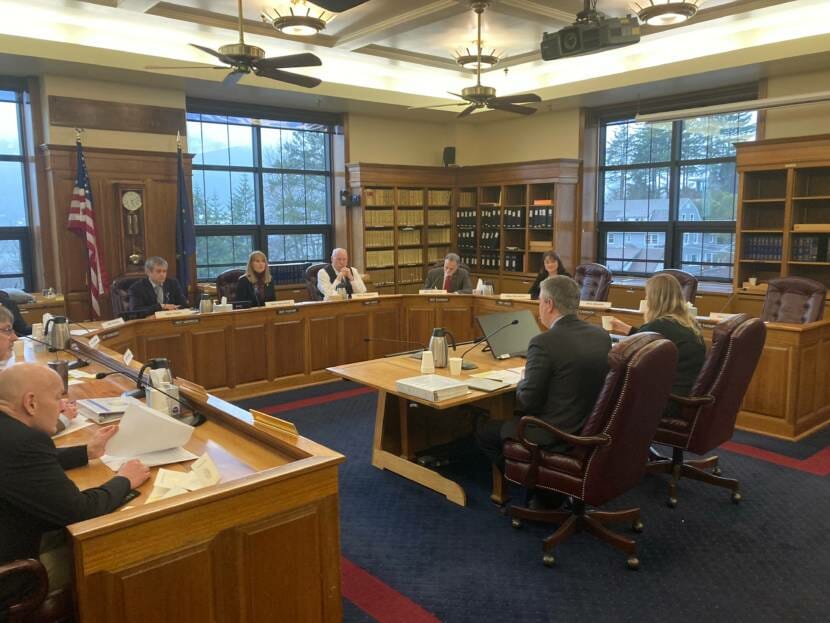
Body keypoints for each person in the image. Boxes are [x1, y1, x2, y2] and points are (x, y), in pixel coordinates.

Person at [0, 364, 149, 610]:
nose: (63, 407)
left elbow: (24, 464)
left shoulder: (11, 434)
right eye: (58, 397)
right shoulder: (24, 442)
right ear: (31, 403)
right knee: (111, 558)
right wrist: (125, 479)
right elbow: (81, 512)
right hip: (12, 577)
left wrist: (86, 451)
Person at [476, 276, 611, 478]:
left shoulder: (543, 342)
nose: (539, 307)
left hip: (554, 431)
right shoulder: (601, 335)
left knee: (485, 432)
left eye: (539, 301)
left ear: (549, 304)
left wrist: (523, 380)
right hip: (590, 426)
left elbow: (528, 401)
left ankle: (532, 480)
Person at [607, 272, 705, 416]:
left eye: (647, 296)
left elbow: (627, 360)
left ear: (654, 300)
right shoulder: (690, 324)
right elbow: (660, 338)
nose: (645, 299)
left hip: (666, 402)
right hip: (684, 398)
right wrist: (629, 330)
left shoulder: (657, 326)